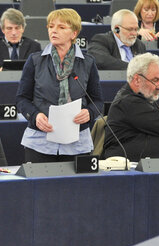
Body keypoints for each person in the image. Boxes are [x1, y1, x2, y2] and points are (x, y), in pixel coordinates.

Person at [16, 9, 102, 163]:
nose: (54, 30)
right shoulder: (35, 60)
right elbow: (22, 99)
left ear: (74, 34)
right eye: (51, 26)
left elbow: (98, 102)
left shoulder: (88, 63)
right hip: (40, 142)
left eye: (61, 27)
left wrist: (89, 112)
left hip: (77, 143)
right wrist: (35, 116)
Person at [104, 53, 159, 160]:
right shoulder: (129, 102)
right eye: (155, 80)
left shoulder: (140, 97)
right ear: (137, 79)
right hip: (122, 156)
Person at [0, 8, 41, 78]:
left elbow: (41, 73)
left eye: (17, 28)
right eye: (9, 28)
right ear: (2, 29)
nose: (14, 33)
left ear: (23, 29)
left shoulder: (34, 46)